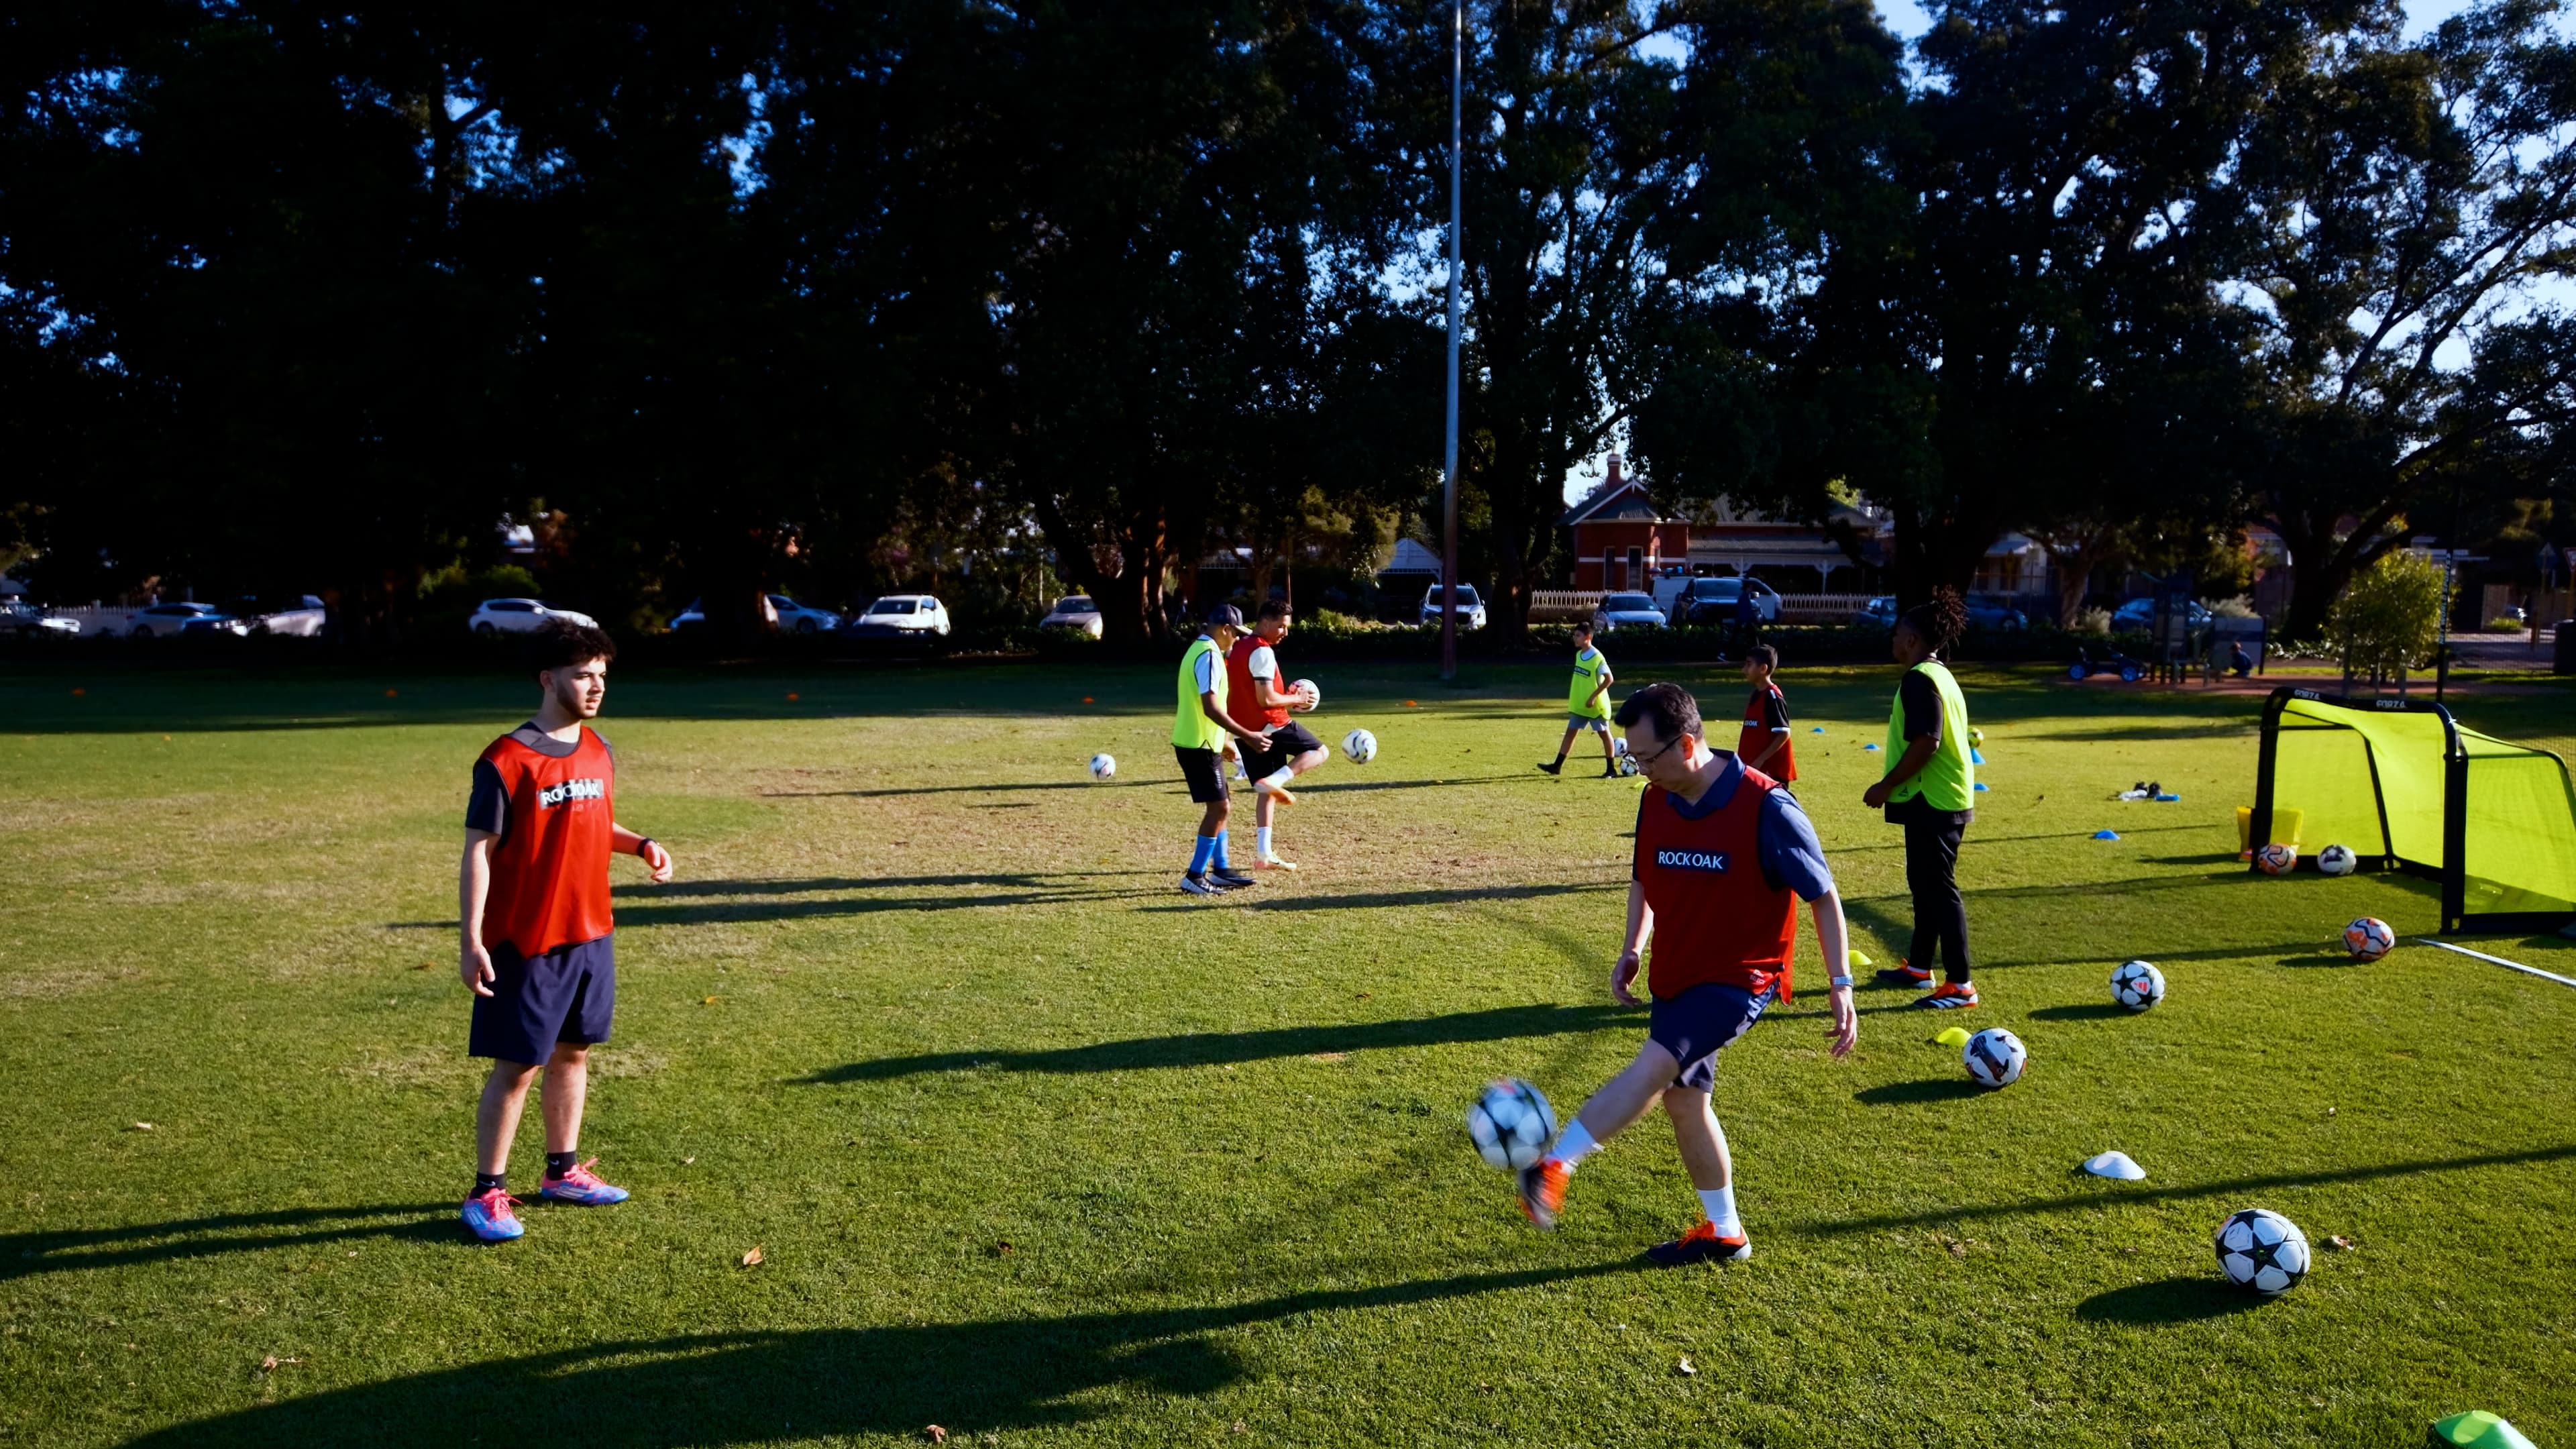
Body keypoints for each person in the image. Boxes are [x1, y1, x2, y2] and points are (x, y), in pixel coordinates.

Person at [1517, 683, 1857, 1265]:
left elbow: (1823, 896)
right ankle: (1726, 1232)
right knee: (1683, 1100)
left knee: (1656, 1062)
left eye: (1647, 757)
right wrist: (1632, 948)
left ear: (1689, 743)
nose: (1640, 769)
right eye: (1633, 758)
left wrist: (1841, 983)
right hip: (1677, 972)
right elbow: (1644, 879)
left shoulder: (1766, 806)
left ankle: (1555, 1164)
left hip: (1738, 979)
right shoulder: (1656, 798)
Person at [458, 619, 675, 1244]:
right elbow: (480, 849)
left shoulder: (598, 750)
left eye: (602, 675)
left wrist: (642, 845)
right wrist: (471, 938)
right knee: (518, 1067)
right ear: (548, 678)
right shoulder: (507, 759)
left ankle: (561, 1171)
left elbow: (590, 822)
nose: (596, 686)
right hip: (525, 942)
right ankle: (487, 1192)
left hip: (590, 935)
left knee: (574, 1052)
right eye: (583, 675)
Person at [1865, 589, 1980, 1008]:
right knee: (1924, 884)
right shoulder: (1942, 674)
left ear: (1912, 640)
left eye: (1898, 634)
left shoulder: (1919, 679)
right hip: (1939, 796)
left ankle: (1961, 984)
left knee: (1938, 887)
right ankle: (1918, 966)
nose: (1893, 640)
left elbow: (1926, 742)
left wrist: (1885, 786)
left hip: (1932, 798)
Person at [1175, 604, 1282, 895]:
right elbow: (1210, 707)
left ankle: (1221, 869)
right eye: (1235, 634)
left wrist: (1223, 741)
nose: (1236, 640)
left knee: (1222, 803)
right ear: (1225, 629)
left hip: (1203, 741)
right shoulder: (1209, 656)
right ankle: (1194, 876)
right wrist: (1246, 735)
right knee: (1220, 808)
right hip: (1198, 744)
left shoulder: (1200, 650)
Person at [1226, 600, 1328, 870]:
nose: (1285, 632)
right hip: (1271, 724)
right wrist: (1295, 698)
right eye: (1282, 626)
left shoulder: (1237, 647)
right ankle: (1276, 779)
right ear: (1266, 622)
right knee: (1319, 752)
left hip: (1244, 730)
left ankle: (1263, 855)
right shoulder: (1262, 652)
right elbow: (1266, 699)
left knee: (1266, 792)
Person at [1538, 621, 1619, 777]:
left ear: (1588, 637)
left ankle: (1611, 769)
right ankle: (1556, 766)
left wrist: (1593, 697)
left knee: (1604, 734)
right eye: (1574, 635)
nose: (1574, 638)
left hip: (1595, 706)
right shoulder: (1579, 655)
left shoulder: (1597, 657)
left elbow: (1609, 679)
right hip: (1581, 706)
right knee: (1570, 733)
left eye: (1578, 635)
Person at [1735, 644, 1796, 782]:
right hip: (1754, 769)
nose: (1744, 669)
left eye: (1749, 665)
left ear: (1763, 668)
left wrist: (1760, 760)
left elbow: (1783, 733)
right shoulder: (1756, 694)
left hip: (1770, 772)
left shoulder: (1772, 697)